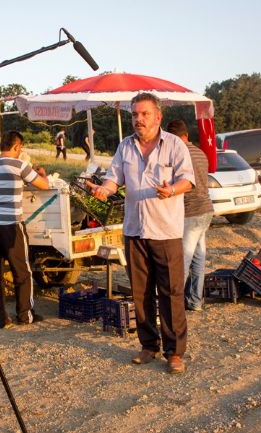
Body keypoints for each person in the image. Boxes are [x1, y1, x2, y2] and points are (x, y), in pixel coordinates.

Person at [88, 93, 194, 374]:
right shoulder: (125, 146)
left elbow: (188, 180)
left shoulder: (173, 145)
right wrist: (104, 190)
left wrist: (171, 190)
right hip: (134, 230)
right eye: (135, 115)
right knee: (140, 293)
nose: (138, 119)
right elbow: (113, 179)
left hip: (166, 231)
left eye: (144, 114)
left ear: (158, 117)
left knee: (171, 293)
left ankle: (175, 352)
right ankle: (148, 346)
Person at [0, 131, 50, 328]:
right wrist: (41, 173)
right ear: (17, 147)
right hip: (10, 225)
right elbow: (43, 185)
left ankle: (0, 320)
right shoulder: (19, 165)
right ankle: (24, 315)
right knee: (22, 271)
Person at [166, 120, 214, 312]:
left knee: (183, 260)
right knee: (198, 258)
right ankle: (194, 301)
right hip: (206, 210)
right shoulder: (201, 153)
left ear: (177, 137)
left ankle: (175, 306)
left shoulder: (181, 153)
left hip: (191, 212)